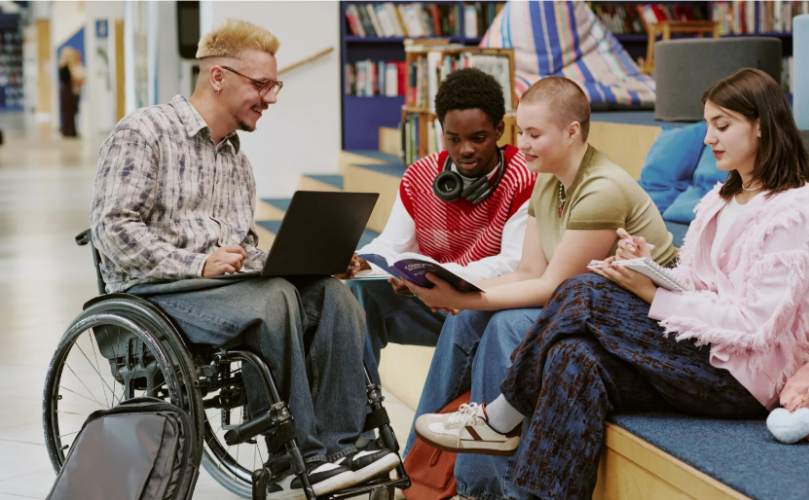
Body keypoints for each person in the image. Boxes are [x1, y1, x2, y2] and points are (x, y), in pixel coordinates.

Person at [414, 68, 809, 500]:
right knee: (572, 356)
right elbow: (695, 283)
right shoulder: (723, 199)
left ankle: (500, 417)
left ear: (762, 126)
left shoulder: (796, 210)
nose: (708, 138)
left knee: (582, 290)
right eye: (708, 124)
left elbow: (755, 323)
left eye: (722, 125)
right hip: (703, 354)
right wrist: (647, 268)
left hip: (746, 378)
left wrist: (651, 293)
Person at [89, 19, 398, 499]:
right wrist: (197, 264)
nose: (270, 97)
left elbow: (243, 251)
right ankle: (293, 461)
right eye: (261, 85)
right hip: (153, 291)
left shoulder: (236, 160)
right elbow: (113, 230)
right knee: (272, 299)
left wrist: (314, 261)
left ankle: (341, 447)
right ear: (219, 77)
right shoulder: (144, 132)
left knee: (333, 296)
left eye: (274, 85)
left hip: (221, 290)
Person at [402, 76, 677, 499]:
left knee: (506, 326)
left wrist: (460, 295)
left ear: (572, 132)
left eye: (534, 134)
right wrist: (461, 287)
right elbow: (530, 269)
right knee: (470, 318)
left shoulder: (601, 188)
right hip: (580, 306)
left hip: (638, 322)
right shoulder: (548, 178)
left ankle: (494, 488)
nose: (522, 145)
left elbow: (552, 288)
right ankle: (415, 469)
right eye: (521, 133)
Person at [342, 68, 536, 383]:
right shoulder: (418, 176)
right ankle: (360, 420)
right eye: (453, 139)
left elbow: (515, 263)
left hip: (484, 307)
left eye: (478, 138)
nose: (465, 150)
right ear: (440, 131)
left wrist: (435, 277)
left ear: (500, 129)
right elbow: (391, 245)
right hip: (434, 305)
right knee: (357, 294)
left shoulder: (524, 177)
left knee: (478, 314)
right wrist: (361, 260)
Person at [59, 47, 82, 138]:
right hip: (67, 90)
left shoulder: (65, 66)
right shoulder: (64, 67)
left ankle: (70, 130)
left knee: (70, 111)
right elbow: (69, 79)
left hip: (67, 90)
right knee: (68, 111)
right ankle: (69, 131)